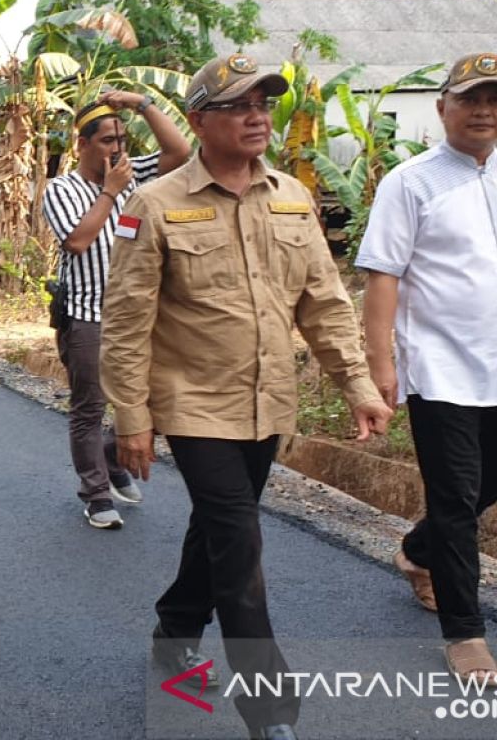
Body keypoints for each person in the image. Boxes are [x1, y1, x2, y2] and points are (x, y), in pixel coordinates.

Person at [100, 54, 392, 740]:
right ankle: (271, 713)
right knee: (239, 543)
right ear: (199, 121)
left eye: (264, 102)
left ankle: (175, 627)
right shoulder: (157, 204)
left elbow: (323, 302)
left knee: (218, 529)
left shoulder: (291, 196)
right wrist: (132, 419)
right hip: (193, 403)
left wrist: (355, 382)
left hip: (268, 403)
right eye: (239, 105)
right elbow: (126, 322)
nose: (258, 115)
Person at [358, 52, 497, 686]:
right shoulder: (411, 183)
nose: (484, 111)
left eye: (493, 100)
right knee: (457, 500)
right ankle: (466, 632)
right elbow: (382, 274)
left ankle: (419, 551)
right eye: (470, 99)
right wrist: (379, 362)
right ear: (442, 107)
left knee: (472, 496)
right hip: (442, 369)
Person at [42, 90, 190, 529]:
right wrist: (110, 192)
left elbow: (180, 151)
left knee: (158, 399)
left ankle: (110, 454)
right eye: (107, 140)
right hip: (87, 315)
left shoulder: (134, 174)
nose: (118, 149)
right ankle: (96, 492)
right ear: (82, 145)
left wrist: (140, 103)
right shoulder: (62, 188)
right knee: (89, 406)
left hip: (140, 318)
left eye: (121, 140)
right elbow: (78, 240)